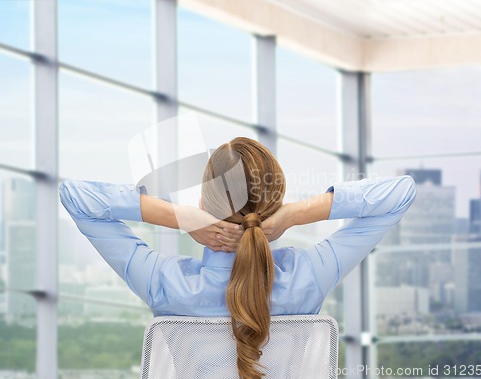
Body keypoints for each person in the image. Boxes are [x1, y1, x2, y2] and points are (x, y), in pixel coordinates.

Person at [59, 136, 417, 379]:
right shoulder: (309, 276)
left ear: (203, 205)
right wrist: (295, 214)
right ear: (274, 205)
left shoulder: (165, 285)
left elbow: (77, 198)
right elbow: (400, 194)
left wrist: (180, 218)